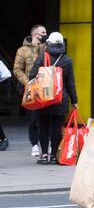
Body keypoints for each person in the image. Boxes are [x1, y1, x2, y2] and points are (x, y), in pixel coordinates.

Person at [28, 32, 78, 165]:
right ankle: (55, 155)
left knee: (43, 127)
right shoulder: (67, 60)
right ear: (62, 44)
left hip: (43, 98)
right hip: (60, 98)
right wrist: (74, 101)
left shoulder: (42, 57)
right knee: (57, 128)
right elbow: (70, 83)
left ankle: (44, 155)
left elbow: (32, 75)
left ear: (49, 43)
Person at [13, 24, 47, 157]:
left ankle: (45, 144)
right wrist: (28, 83)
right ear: (35, 35)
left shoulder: (47, 48)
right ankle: (34, 144)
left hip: (46, 88)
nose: (45, 34)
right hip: (31, 89)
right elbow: (17, 69)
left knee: (45, 117)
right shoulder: (23, 50)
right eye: (42, 32)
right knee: (33, 118)